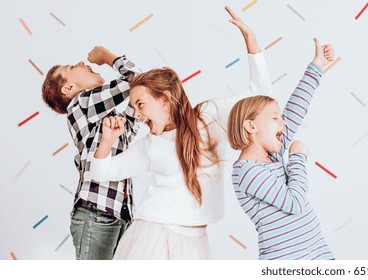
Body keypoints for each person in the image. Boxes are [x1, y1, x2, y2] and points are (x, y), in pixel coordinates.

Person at [87, 6, 273, 259]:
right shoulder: (150, 144)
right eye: (134, 108)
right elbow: (102, 173)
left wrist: (251, 41)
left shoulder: (209, 117)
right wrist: (107, 140)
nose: (137, 115)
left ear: (165, 99)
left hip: (195, 243)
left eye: (141, 105)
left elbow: (261, 95)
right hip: (151, 235)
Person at [227, 38, 335, 260]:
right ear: (251, 126)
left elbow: (297, 108)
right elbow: (294, 203)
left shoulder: (273, 156)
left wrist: (317, 66)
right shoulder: (246, 171)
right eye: (275, 118)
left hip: (317, 254)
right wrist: (296, 157)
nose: (283, 123)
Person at [41, 45, 139, 260]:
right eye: (74, 66)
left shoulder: (105, 117)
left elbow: (138, 96)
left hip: (118, 214)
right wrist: (108, 57)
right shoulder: (82, 103)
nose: (84, 63)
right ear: (68, 88)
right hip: (97, 212)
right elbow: (135, 80)